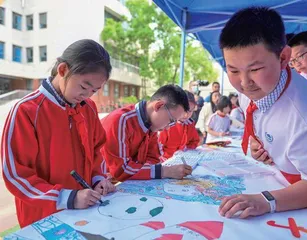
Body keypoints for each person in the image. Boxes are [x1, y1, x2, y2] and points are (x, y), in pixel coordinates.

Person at [218, 7, 307, 239]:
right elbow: (257, 121)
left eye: (255, 69)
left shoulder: (306, 114)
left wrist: (265, 201)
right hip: (282, 176)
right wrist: (256, 146)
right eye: (233, 69)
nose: (244, 83)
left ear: (284, 57)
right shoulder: (255, 89)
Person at [1, 39, 116, 227]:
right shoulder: (27, 110)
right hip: (43, 215)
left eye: (94, 90)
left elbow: (96, 151)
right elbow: (16, 175)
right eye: (83, 86)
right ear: (63, 70)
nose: (86, 95)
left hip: (87, 208)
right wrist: (67, 198)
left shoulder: (88, 108)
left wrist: (98, 179)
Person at [101, 85, 192, 181]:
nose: (168, 127)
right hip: (102, 185)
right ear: (158, 106)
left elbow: (153, 159)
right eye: (170, 120)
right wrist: (165, 171)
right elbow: (121, 170)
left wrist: (150, 170)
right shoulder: (121, 121)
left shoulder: (151, 126)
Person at [158, 90, 200, 160]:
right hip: (166, 161)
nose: (186, 115)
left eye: (190, 111)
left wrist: (186, 151)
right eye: (184, 110)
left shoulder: (190, 123)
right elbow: (157, 148)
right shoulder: (166, 124)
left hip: (183, 159)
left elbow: (194, 141)